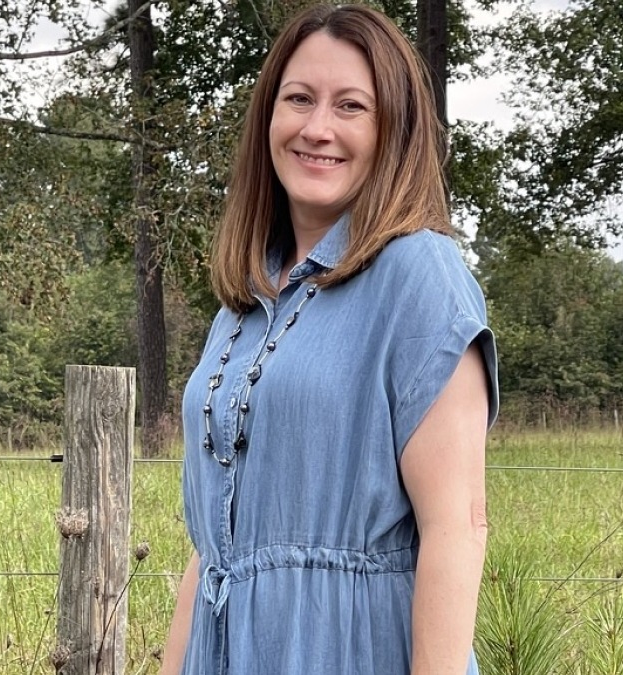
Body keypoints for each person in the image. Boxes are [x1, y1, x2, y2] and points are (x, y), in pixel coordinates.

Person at [161, 4, 499, 674]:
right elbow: (214, 549)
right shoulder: (242, 305)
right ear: (268, 119)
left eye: (351, 106)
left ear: (391, 131)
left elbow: (455, 529)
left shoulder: (420, 276)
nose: (317, 128)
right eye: (299, 99)